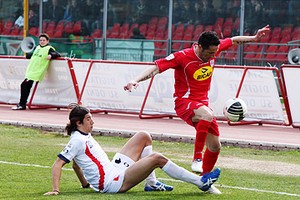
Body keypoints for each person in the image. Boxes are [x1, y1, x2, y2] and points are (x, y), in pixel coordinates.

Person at [124, 25, 271, 194]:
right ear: (199, 47)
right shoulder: (182, 57)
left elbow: (234, 40)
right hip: (184, 103)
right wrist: (135, 80)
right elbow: (156, 67)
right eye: (209, 53)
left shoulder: (214, 49)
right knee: (207, 114)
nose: (213, 56)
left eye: (215, 52)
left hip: (202, 105)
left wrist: (254, 38)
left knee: (215, 146)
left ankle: (205, 180)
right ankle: (197, 159)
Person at [44, 104, 220, 195]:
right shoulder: (76, 140)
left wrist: (85, 184)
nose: (93, 122)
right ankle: (201, 183)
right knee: (157, 158)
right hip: (112, 183)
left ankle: (151, 183)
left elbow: (76, 164)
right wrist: (56, 190)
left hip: (114, 170)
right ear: (78, 123)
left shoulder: (82, 136)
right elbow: (58, 164)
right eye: (89, 119)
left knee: (143, 135)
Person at [11, 33, 61, 110]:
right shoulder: (37, 48)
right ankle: (22, 104)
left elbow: (57, 54)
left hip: (37, 72)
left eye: (44, 40)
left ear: (47, 41)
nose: (42, 42)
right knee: (25, 86)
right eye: (40, 40)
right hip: (31, 70)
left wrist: (51, 55)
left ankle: (22, 104)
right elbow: (33, 55)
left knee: (24, 86)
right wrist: (27, 55)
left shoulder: (49, 48)